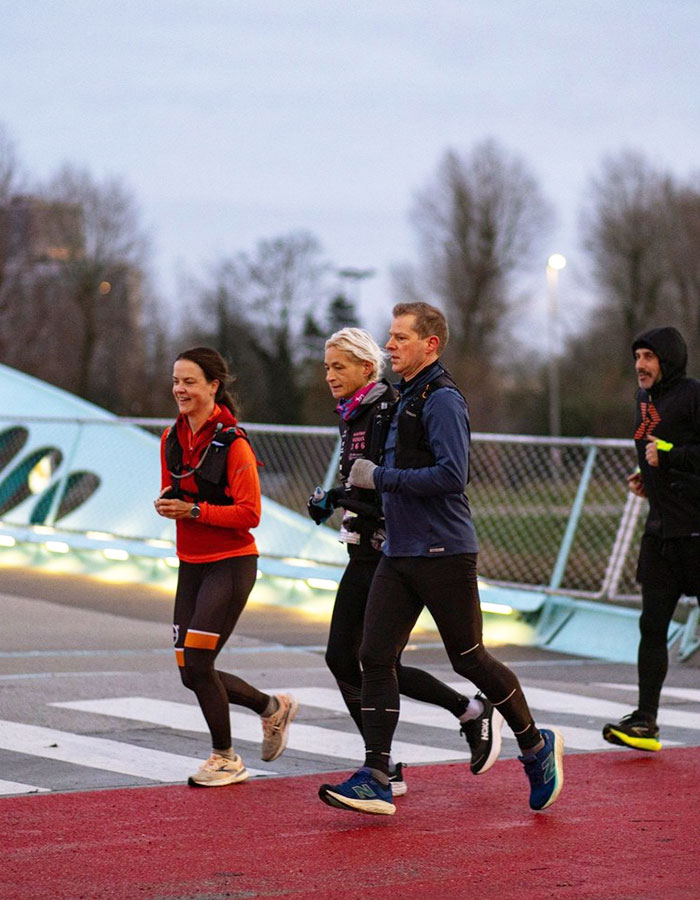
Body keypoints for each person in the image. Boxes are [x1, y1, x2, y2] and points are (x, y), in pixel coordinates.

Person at [318, 303, 564, 816]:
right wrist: (347, 496)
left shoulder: (443, 399)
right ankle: (378, 776)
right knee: (374, 658)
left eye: (400, 338)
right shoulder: (403, 397)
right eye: (389, 336)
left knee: (468, 657)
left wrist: (379, 478)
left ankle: (536, 746)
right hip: (398, 551)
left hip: (444, 552)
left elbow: (453, 476)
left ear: (430, 344)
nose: (390, 346)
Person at [308, 327, 503, 796]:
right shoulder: (352, 413)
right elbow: (366, 484)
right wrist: (337, 498)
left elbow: (393, 486)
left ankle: (383, 766)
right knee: (365, 659)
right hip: (365, 546)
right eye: (326, 366)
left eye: (339, 366)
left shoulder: (383, 409)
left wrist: (343, 496)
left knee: (370, 659)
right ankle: (464, 715)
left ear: (365, 368)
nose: (330, 375)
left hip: (391, 550)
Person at [155, 346, 297, 786]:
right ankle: (271, 708)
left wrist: (195, 513)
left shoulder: (233, 442)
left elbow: (250, 513)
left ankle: (226, 758)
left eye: (190, 381)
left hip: (231, 564)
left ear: (213, 386)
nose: (180, 389)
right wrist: (168, 506)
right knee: (190, 671)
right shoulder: (170, 438)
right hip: (190, 565)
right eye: (176, 381)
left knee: (199, 662)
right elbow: (173, 491)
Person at [603, 327, 700, 752]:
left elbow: (678, 450)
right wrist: (649, 478)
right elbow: (654, 450)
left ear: (669, 359)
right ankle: (645, 721)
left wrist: (671, 458)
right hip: (661, 529)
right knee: (651, 625)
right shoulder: (646, 399)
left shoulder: (693, 395)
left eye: (649, 357)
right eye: (638, 356)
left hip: (696, 533)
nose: (640, 365)